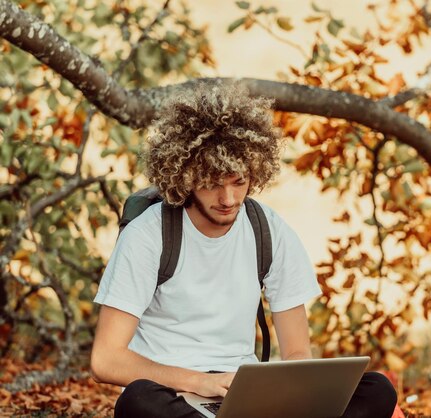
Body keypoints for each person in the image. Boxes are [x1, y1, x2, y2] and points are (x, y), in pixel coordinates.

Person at [90, 83, 397, 418]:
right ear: (186, 174)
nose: (228, 200)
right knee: (138, 401)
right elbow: (106, 359)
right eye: (212, 183)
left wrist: (289, 397)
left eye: (239, 182)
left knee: (376, 389)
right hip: (175, 396)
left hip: (247, 400)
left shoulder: (269, 231)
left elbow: (297, 354)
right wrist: (197, 382)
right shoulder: (149, 235)